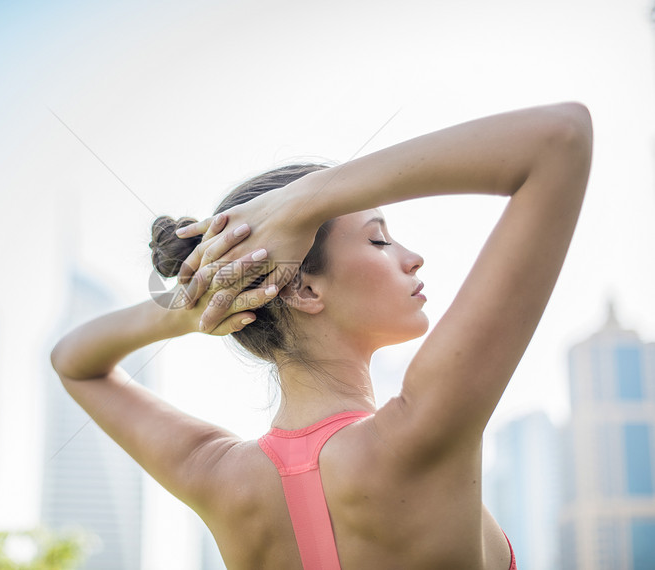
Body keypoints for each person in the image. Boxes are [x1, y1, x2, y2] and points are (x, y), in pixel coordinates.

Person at [51, 102, 592, 569]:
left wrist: (188, 310)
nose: (412, 258)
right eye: (379, 240)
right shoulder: (421, 430)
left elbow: (74, 361)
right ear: (305, 289)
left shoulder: (218, 477)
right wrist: (304, 203)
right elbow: (561, 138)